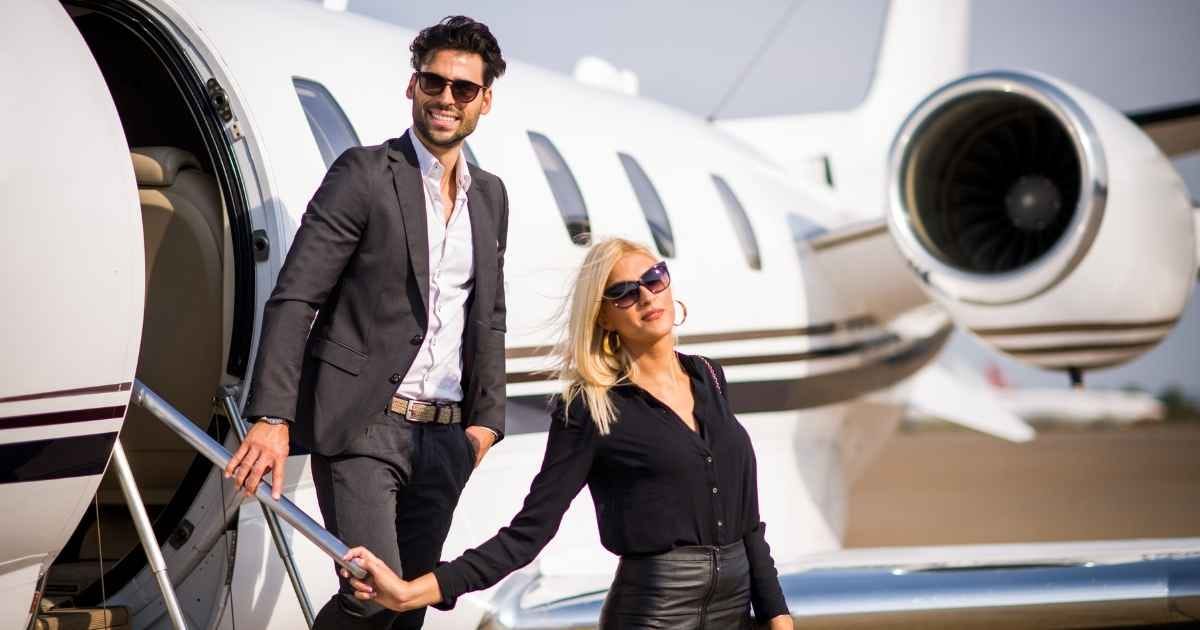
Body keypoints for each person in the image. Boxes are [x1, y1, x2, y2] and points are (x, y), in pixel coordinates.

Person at [341, 238, 794, 629]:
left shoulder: (710, 378)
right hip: (656, 613)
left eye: (654, 278)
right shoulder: (589, 408)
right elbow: (527, 535)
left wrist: (777, 613)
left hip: (736, 611)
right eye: (622, 293)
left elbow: (748, 521)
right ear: (603, 318)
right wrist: (410, 592)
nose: (645, 296)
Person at [225, 16, 509, 629]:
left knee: (411, 603)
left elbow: (488, 315)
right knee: (371, 594)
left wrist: (486, 422)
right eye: (434, 83)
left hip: (446, 436)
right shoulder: (363, 174)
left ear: (485, 100)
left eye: (463, 89)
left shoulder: (491, 196)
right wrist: (272, 416)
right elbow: (296, 296)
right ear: (413, 87)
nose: (446, 99)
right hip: (363, 430)